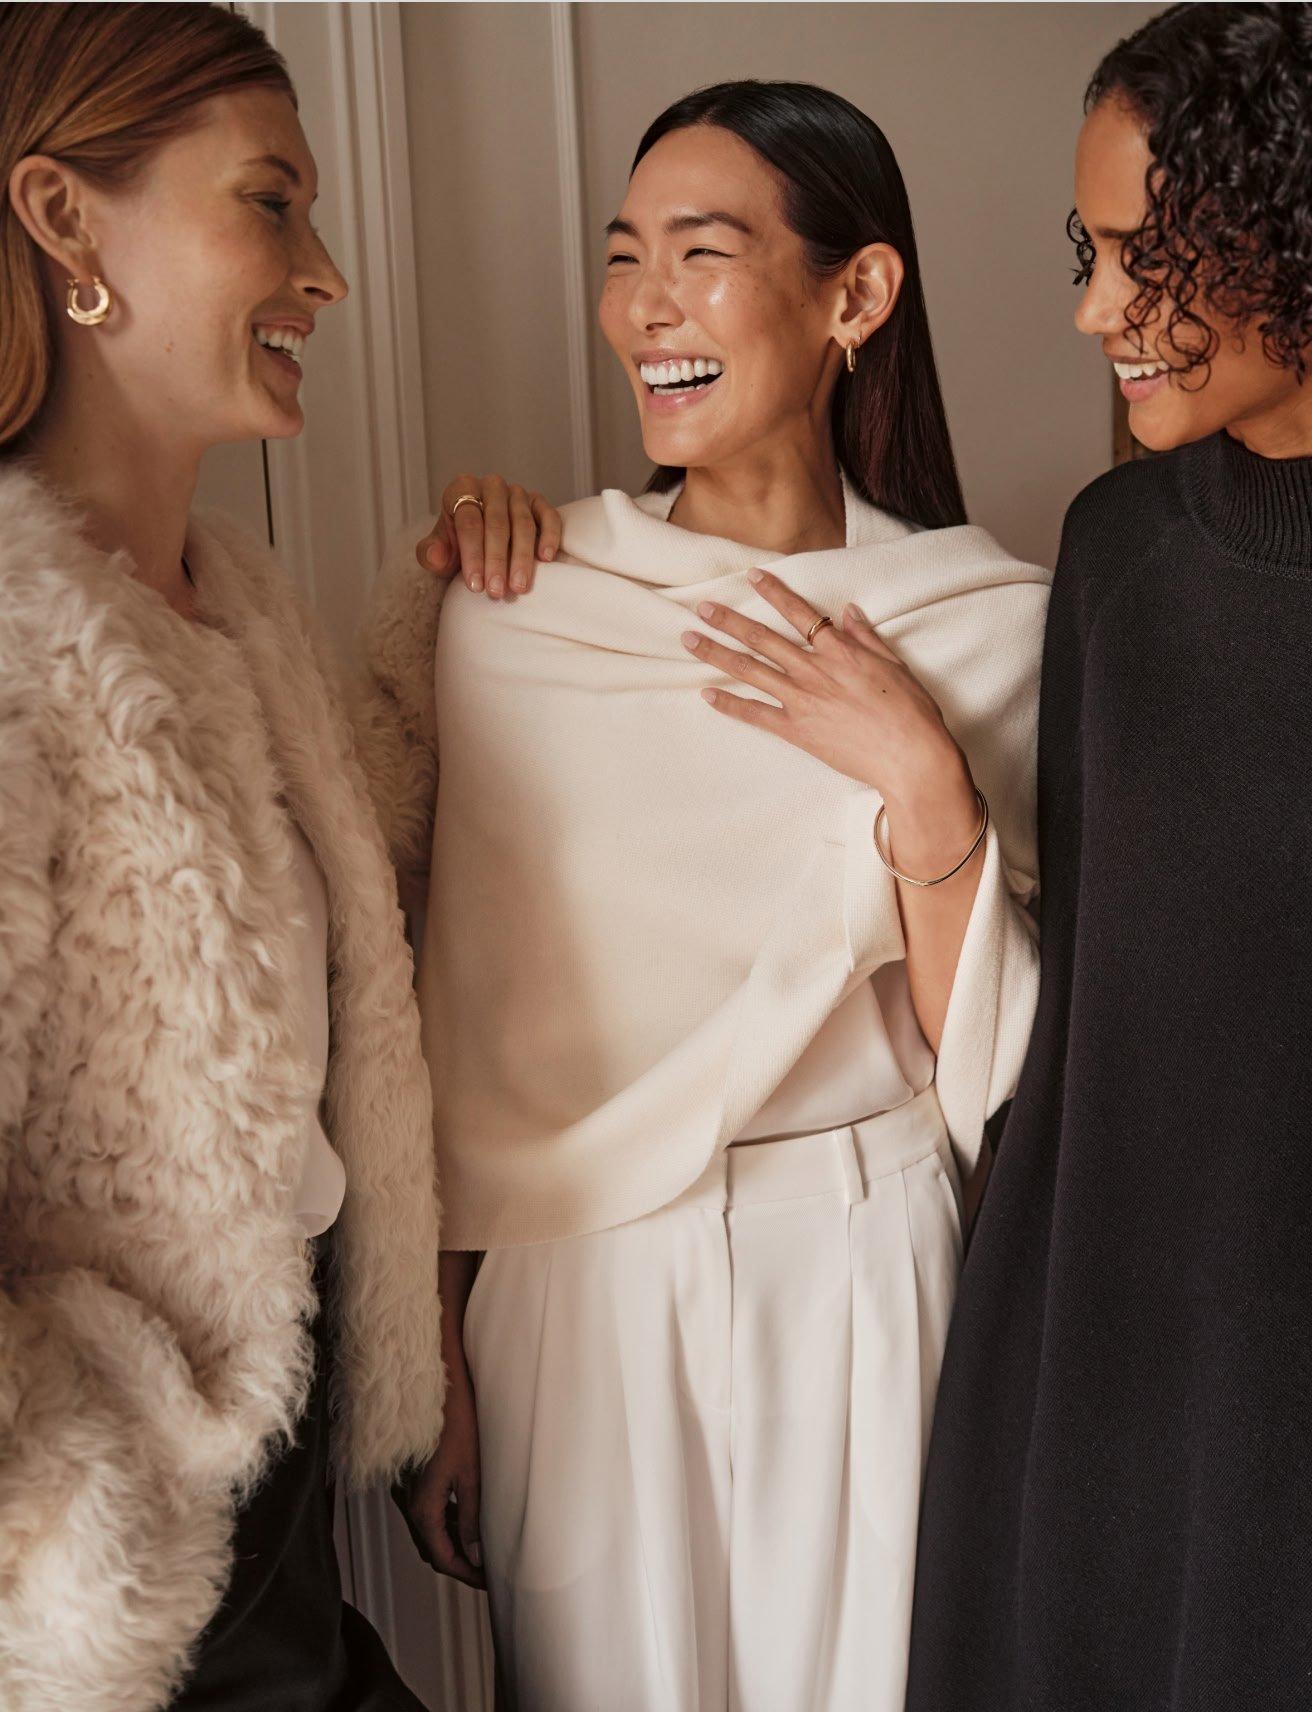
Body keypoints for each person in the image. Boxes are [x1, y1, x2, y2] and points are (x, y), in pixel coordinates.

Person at [376, 80, 1048, 1712]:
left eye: (701, 252)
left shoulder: (989, 624)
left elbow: (1006, 1082)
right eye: (624, 257)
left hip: (876, 1261)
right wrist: (437, 1364)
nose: (645, 307)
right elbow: (463, 1030)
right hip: (582, 1297)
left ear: (855, 296)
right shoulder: (524, 608)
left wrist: (926, 783)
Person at [0, 7, 552, 1708]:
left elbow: (381, 874)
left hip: (294, 1503)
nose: (324, 271)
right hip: (117, 1577)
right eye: (270, 202)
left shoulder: (240, 611)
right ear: (66, 221)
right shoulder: (11, 642)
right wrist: (71, 1508)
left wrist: (468, 603)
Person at [904, 7, 1312, 1709]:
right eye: (1096, 254)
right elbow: (1090, 1016)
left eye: (1149, 254)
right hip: (1121, 1363)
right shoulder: (1119, 556)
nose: (1095, 309)